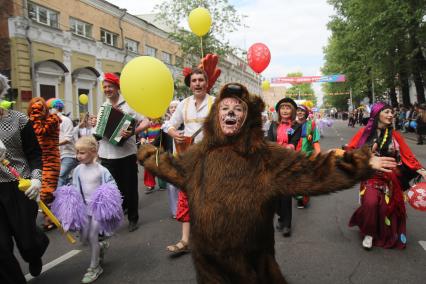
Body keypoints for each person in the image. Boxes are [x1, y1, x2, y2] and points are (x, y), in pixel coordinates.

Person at [138, 82, 397, 283]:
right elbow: (175, 169)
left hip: (253, 265)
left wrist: (361, 162)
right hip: (208, 265)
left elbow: (313, 170)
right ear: (216, 116)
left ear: (248, 118)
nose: (230, 111)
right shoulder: (199, 154)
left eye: (238, 108)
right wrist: (149, 154)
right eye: (225, 107)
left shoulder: (266, 156)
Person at [347, 102, 426, 249]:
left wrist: (422, 171)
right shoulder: (365, 133)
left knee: (387, 209)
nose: (391, 115)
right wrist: (366, 156)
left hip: (391, 178)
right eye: (387, 112)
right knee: (371, 203)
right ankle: (368, 233)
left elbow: (408, 155)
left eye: (392, 112)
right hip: (371, 175)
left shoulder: (395, 135)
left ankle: (385, 233)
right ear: (377, 115)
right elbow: (350, 151)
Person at [52, 136, 122, 283]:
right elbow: (75, 188)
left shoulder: (101, 170)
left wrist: (106, 203)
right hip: (85, 210)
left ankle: (95, 267)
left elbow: (112, 187)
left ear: (93, 152)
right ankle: (101, 247)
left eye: (82, 152)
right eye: (77, 152)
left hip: (97, 210)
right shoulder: (77, 170)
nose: (78, 156)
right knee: (84, 239)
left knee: (92, 236)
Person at [0, 74, 49, 283]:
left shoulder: (19, 119)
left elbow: (35, 154)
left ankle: (35, 250)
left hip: (19, 185)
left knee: (27, 241)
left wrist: (37, 180)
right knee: (0, 248)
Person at [165, 67, 215, 254]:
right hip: (188, 159)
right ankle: (185, 240)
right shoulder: (183, 104)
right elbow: (169, 123)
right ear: (190, 84)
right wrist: (173, 132)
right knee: (186, 198)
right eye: (194, 81)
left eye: (201, 80)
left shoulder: (215, 103)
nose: (197, 84)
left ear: (206, 82)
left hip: (210, 160)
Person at [92, 73, 148, 232]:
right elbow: (98, 132)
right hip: (106, 154)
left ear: (117, 88)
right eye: (105, 87)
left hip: (126, 153)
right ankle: (118, 211)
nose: (107, 89)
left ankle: (133, 218)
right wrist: (94, 123)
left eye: (110, 86)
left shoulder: (130, 104)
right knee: (112, 188)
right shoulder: (104, 106)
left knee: (130, 187)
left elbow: (146, 121)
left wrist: (132, 132)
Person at [267, 97, 301, 237]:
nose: (285, 110)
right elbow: (269, 142)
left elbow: (294, 142)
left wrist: (287, 148)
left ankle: (287, 224)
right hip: (274, 162)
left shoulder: (296, 126)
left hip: (288, 162)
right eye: (282, 108)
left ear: (292, 111)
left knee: (286, 194)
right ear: (279, 111)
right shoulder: (273, 125)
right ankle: (281, 217)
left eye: (288, 108)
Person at [27, 97, 61, 231]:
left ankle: (52, 217)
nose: (37, 110)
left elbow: (40, 131)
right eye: (34, 108)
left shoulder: (53, 119)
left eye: (39, 107)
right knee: (39, 192)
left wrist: (35, 116)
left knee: (47, 192)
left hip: (51, 160)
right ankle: (50, 218)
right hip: (37, 161)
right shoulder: (31, 123)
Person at [294, 104, 321, 208]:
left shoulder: (311, 125)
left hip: (307, 156)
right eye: (298, 110)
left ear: (306, 113)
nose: (300, 112)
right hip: (295, 156)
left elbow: (315, 140)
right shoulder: (293, 125)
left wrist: (318, 154)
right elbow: (288, 138)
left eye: (302, 111)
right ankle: (299, 196)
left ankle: (302, 198)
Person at [50, 99, 79, 187]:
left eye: (52, 108)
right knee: (65, 179)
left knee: (60, 176)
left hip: (69, 155)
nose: (50, 110)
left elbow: (68, 139)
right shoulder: (51, 122)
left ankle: (57, 199)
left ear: (57, 109)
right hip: (58, 155)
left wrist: (54, 144)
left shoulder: (65, 120)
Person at [139, 118, 162, 193]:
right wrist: (142, 138)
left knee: (161, 165)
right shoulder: (147, 125)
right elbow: (143, 135)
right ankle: (150, 184)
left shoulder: (162, 124)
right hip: (149, 148)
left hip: (160, 148)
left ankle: (163, 184)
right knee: (148, 166)